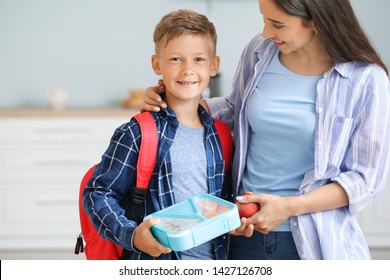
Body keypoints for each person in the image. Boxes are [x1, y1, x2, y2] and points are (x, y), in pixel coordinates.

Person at [143, 0, 390, 260]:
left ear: (316, 20)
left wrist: (288, 207)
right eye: (264, 19)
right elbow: (232, 110)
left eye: (278, 24)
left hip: (312, 240)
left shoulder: (366, 80)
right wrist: (170, 99)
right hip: (241, 228)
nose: (266, 33)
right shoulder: (260, 52)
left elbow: (364, 181)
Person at [83, 9, 230, 260]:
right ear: (156, 64)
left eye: (198, 59)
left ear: (214, 65)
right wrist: (132, 235)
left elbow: (220, 203)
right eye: (175, 59)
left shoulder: (221, 134)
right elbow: (98, 193)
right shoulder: (138, 133)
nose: (187, 69)